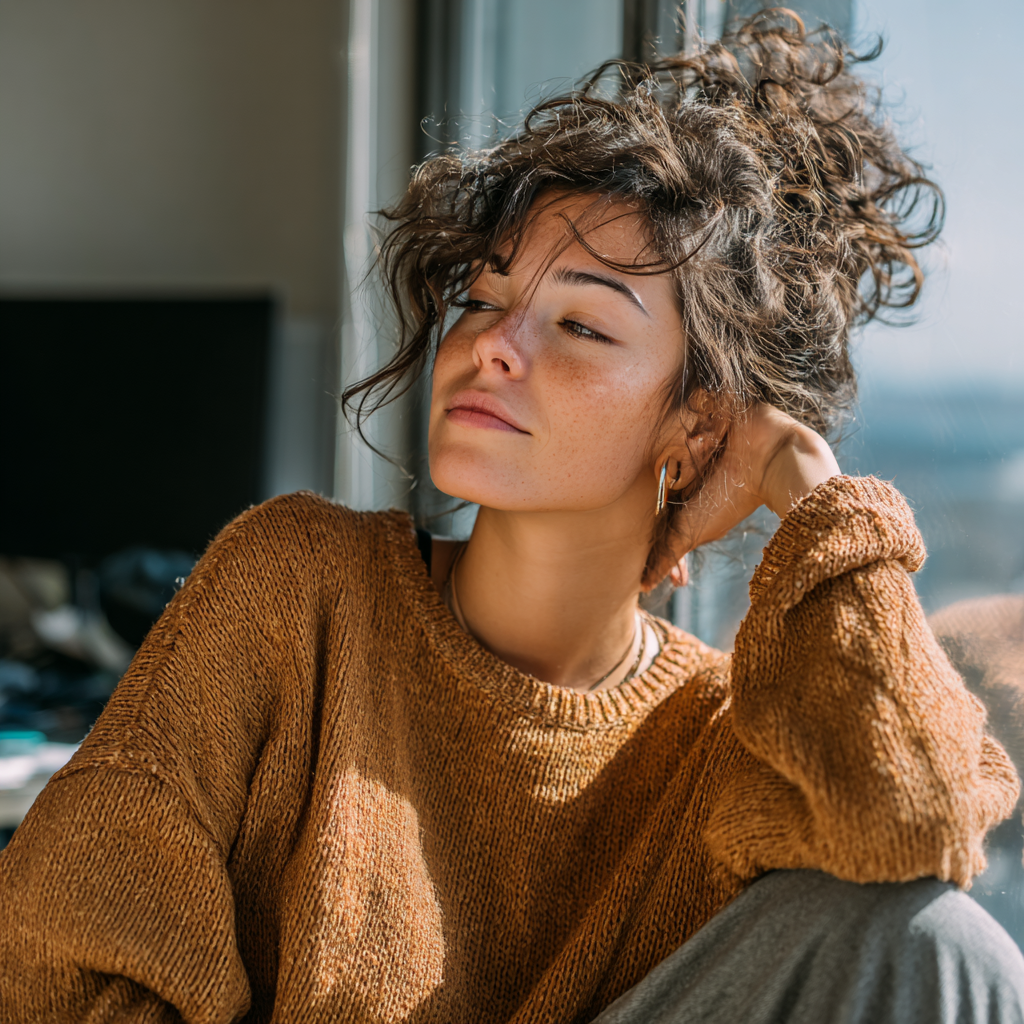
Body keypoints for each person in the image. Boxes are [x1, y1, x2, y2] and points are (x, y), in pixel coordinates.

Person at [1, 10, 1022, 1023]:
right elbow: (72, 954)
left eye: (578, 324)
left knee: (944, 943)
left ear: (696, 425)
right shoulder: (297, 582)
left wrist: (808, 479)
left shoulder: (727, 734)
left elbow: (918, 833)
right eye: (486, 299)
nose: (489, 345)